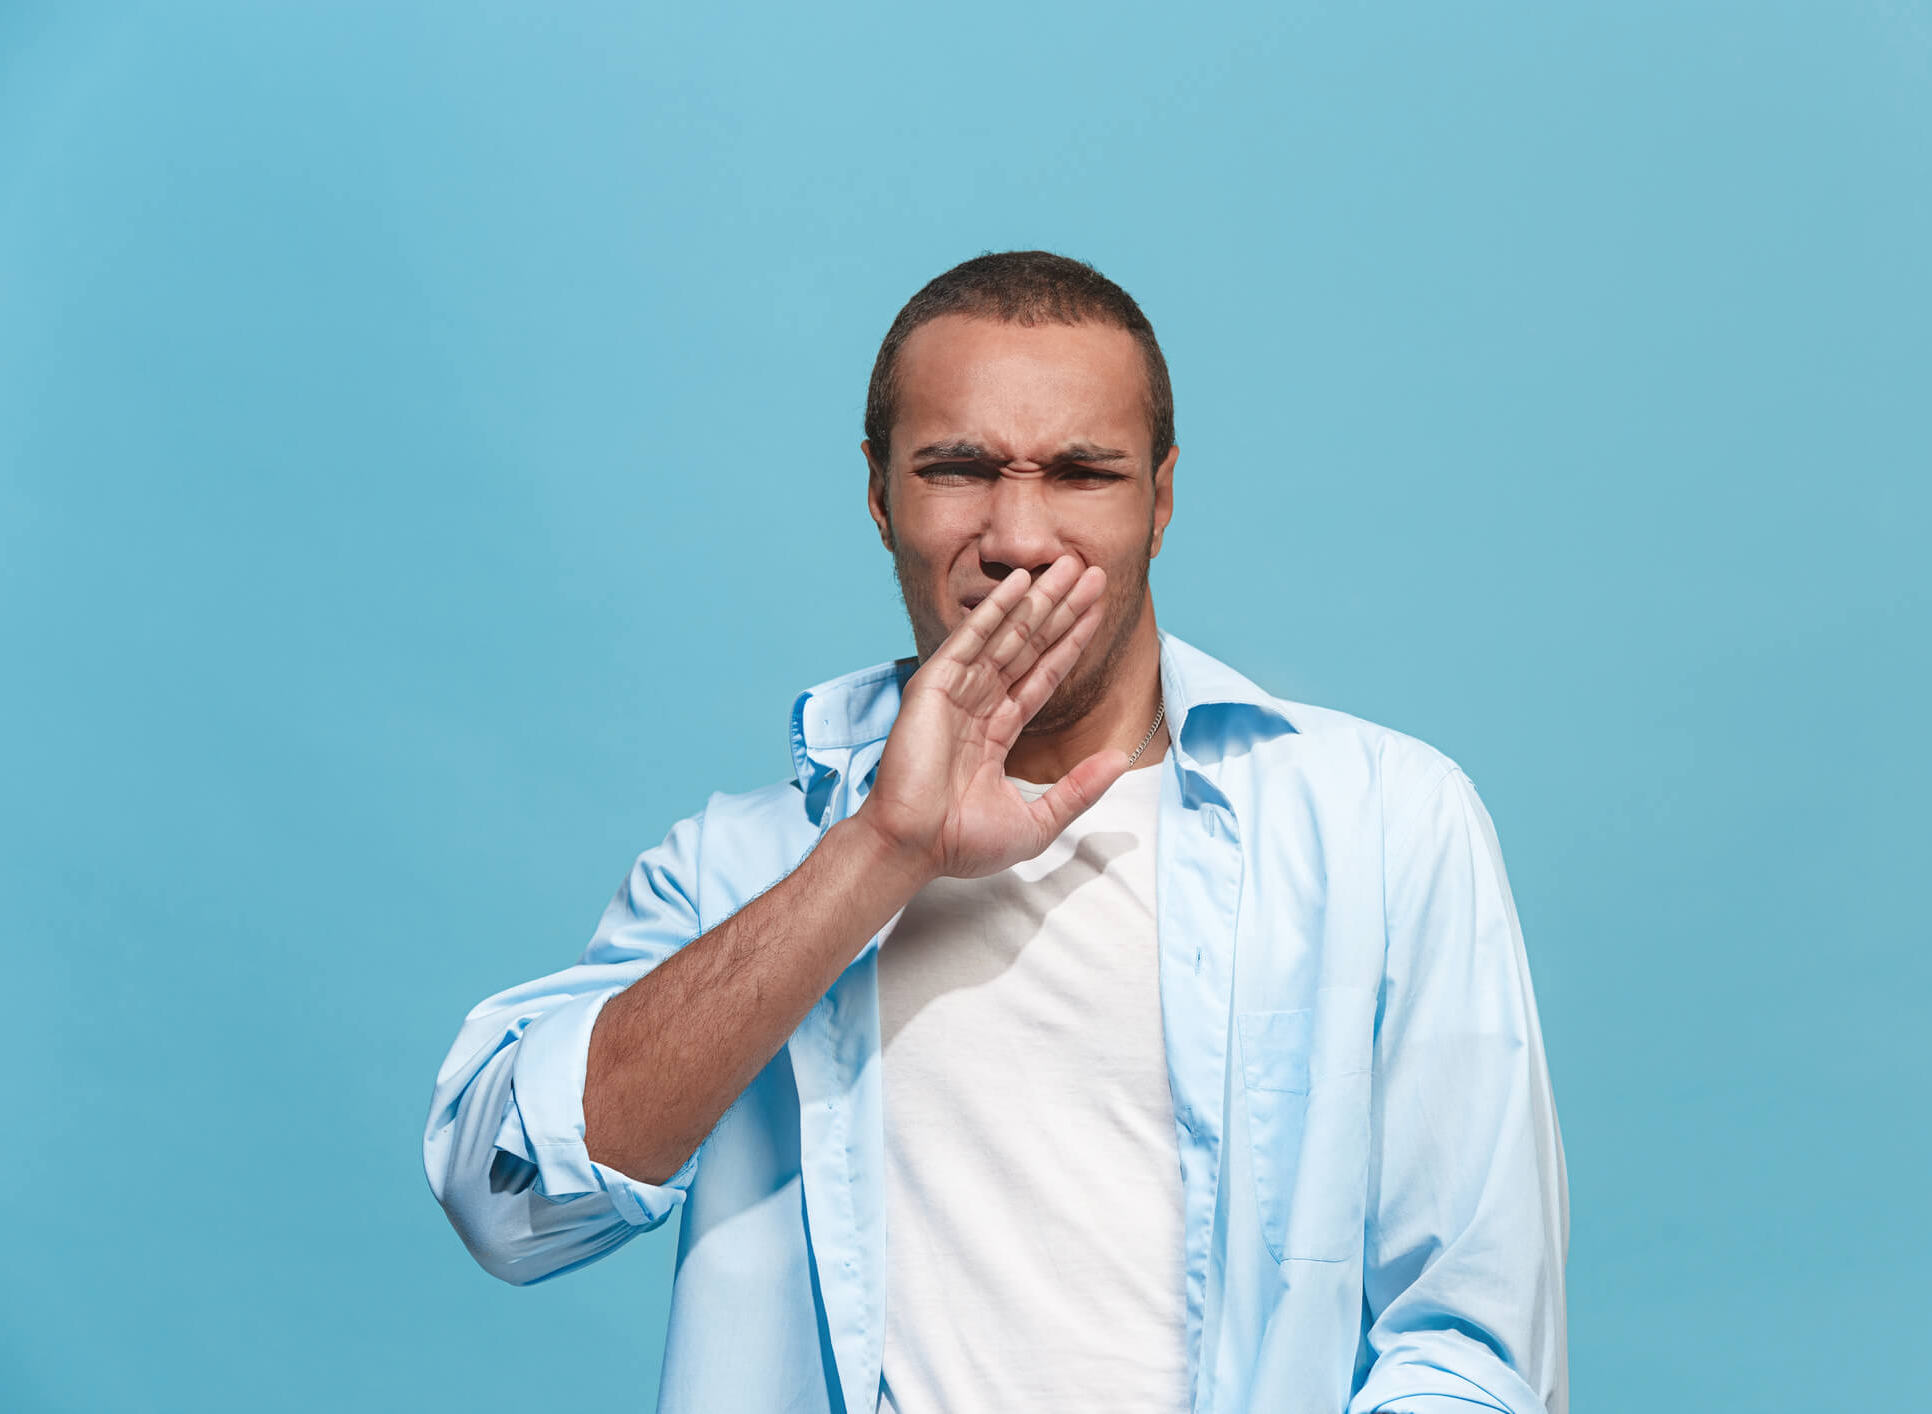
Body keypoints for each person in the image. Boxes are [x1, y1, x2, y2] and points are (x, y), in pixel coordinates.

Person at [422, 251, 1570, 1414]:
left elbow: (1472, 1350)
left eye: (1081, 473)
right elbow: (508, 1202)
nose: (1019, 536)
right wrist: (880, 849)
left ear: (1161, 500)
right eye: (958, 469)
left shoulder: (1384, 825)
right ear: (880, 495)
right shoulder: (746, 866)